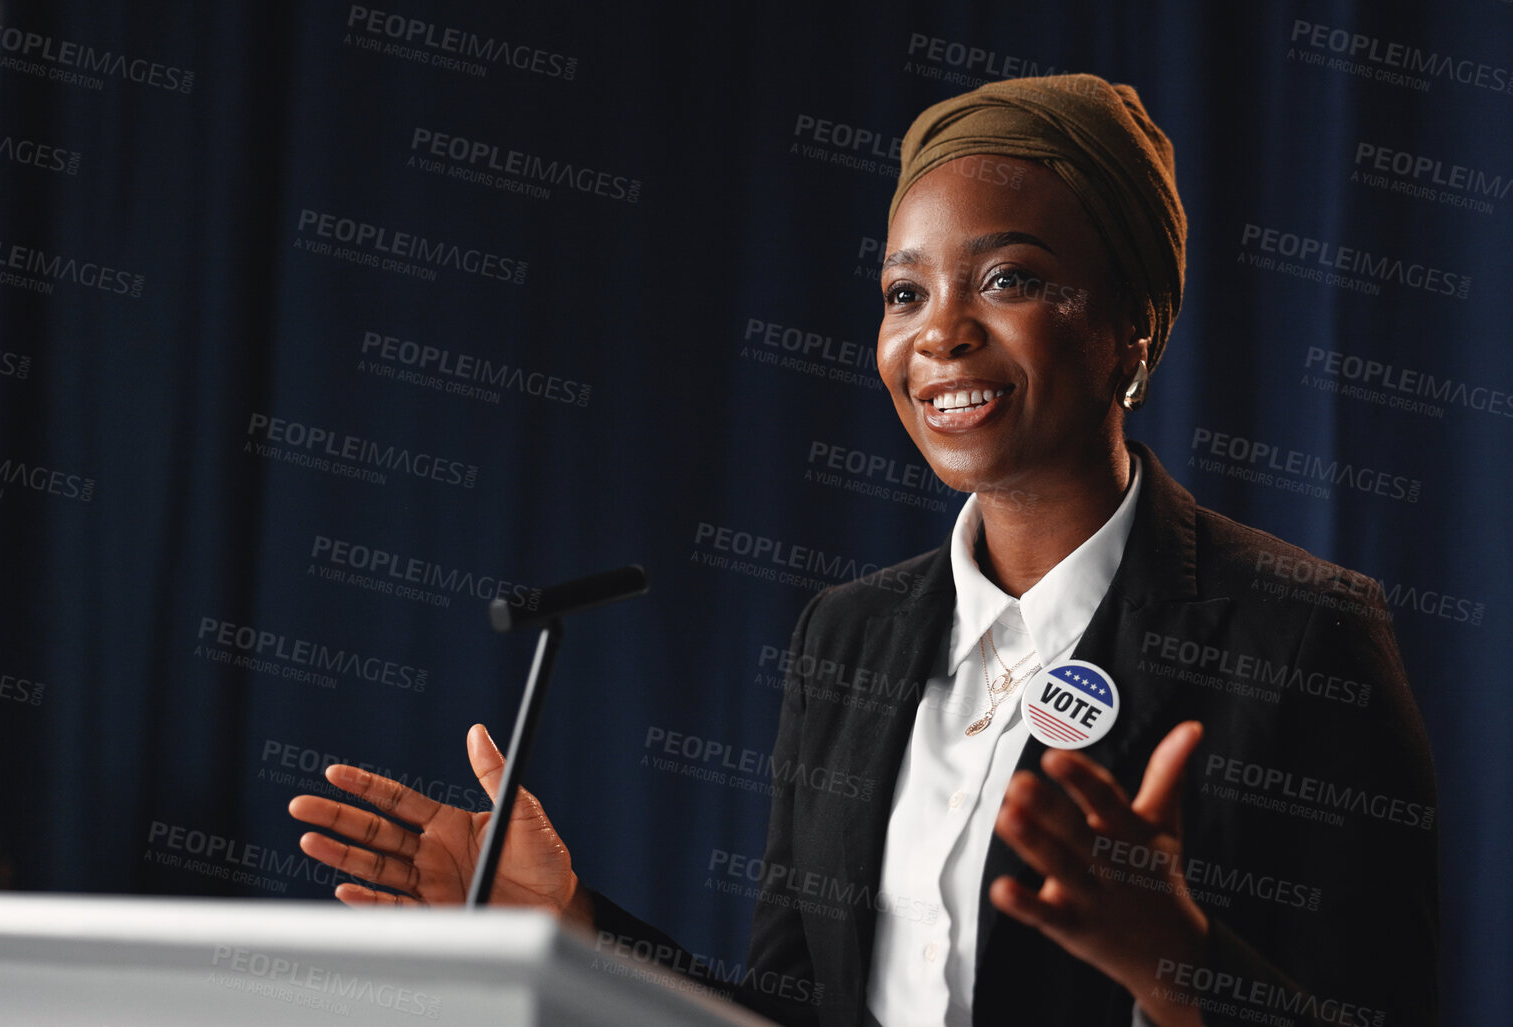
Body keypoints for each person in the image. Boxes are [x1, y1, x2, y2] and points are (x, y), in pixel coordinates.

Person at [290, 73, 1437, 1027]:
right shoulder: (846, 636)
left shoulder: (1300, 628)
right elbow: (797, 1009)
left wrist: (1172, 962)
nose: (939, 331)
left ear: (1130, 322)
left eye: (1009, 279)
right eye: (904, 290)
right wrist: (575, 930)